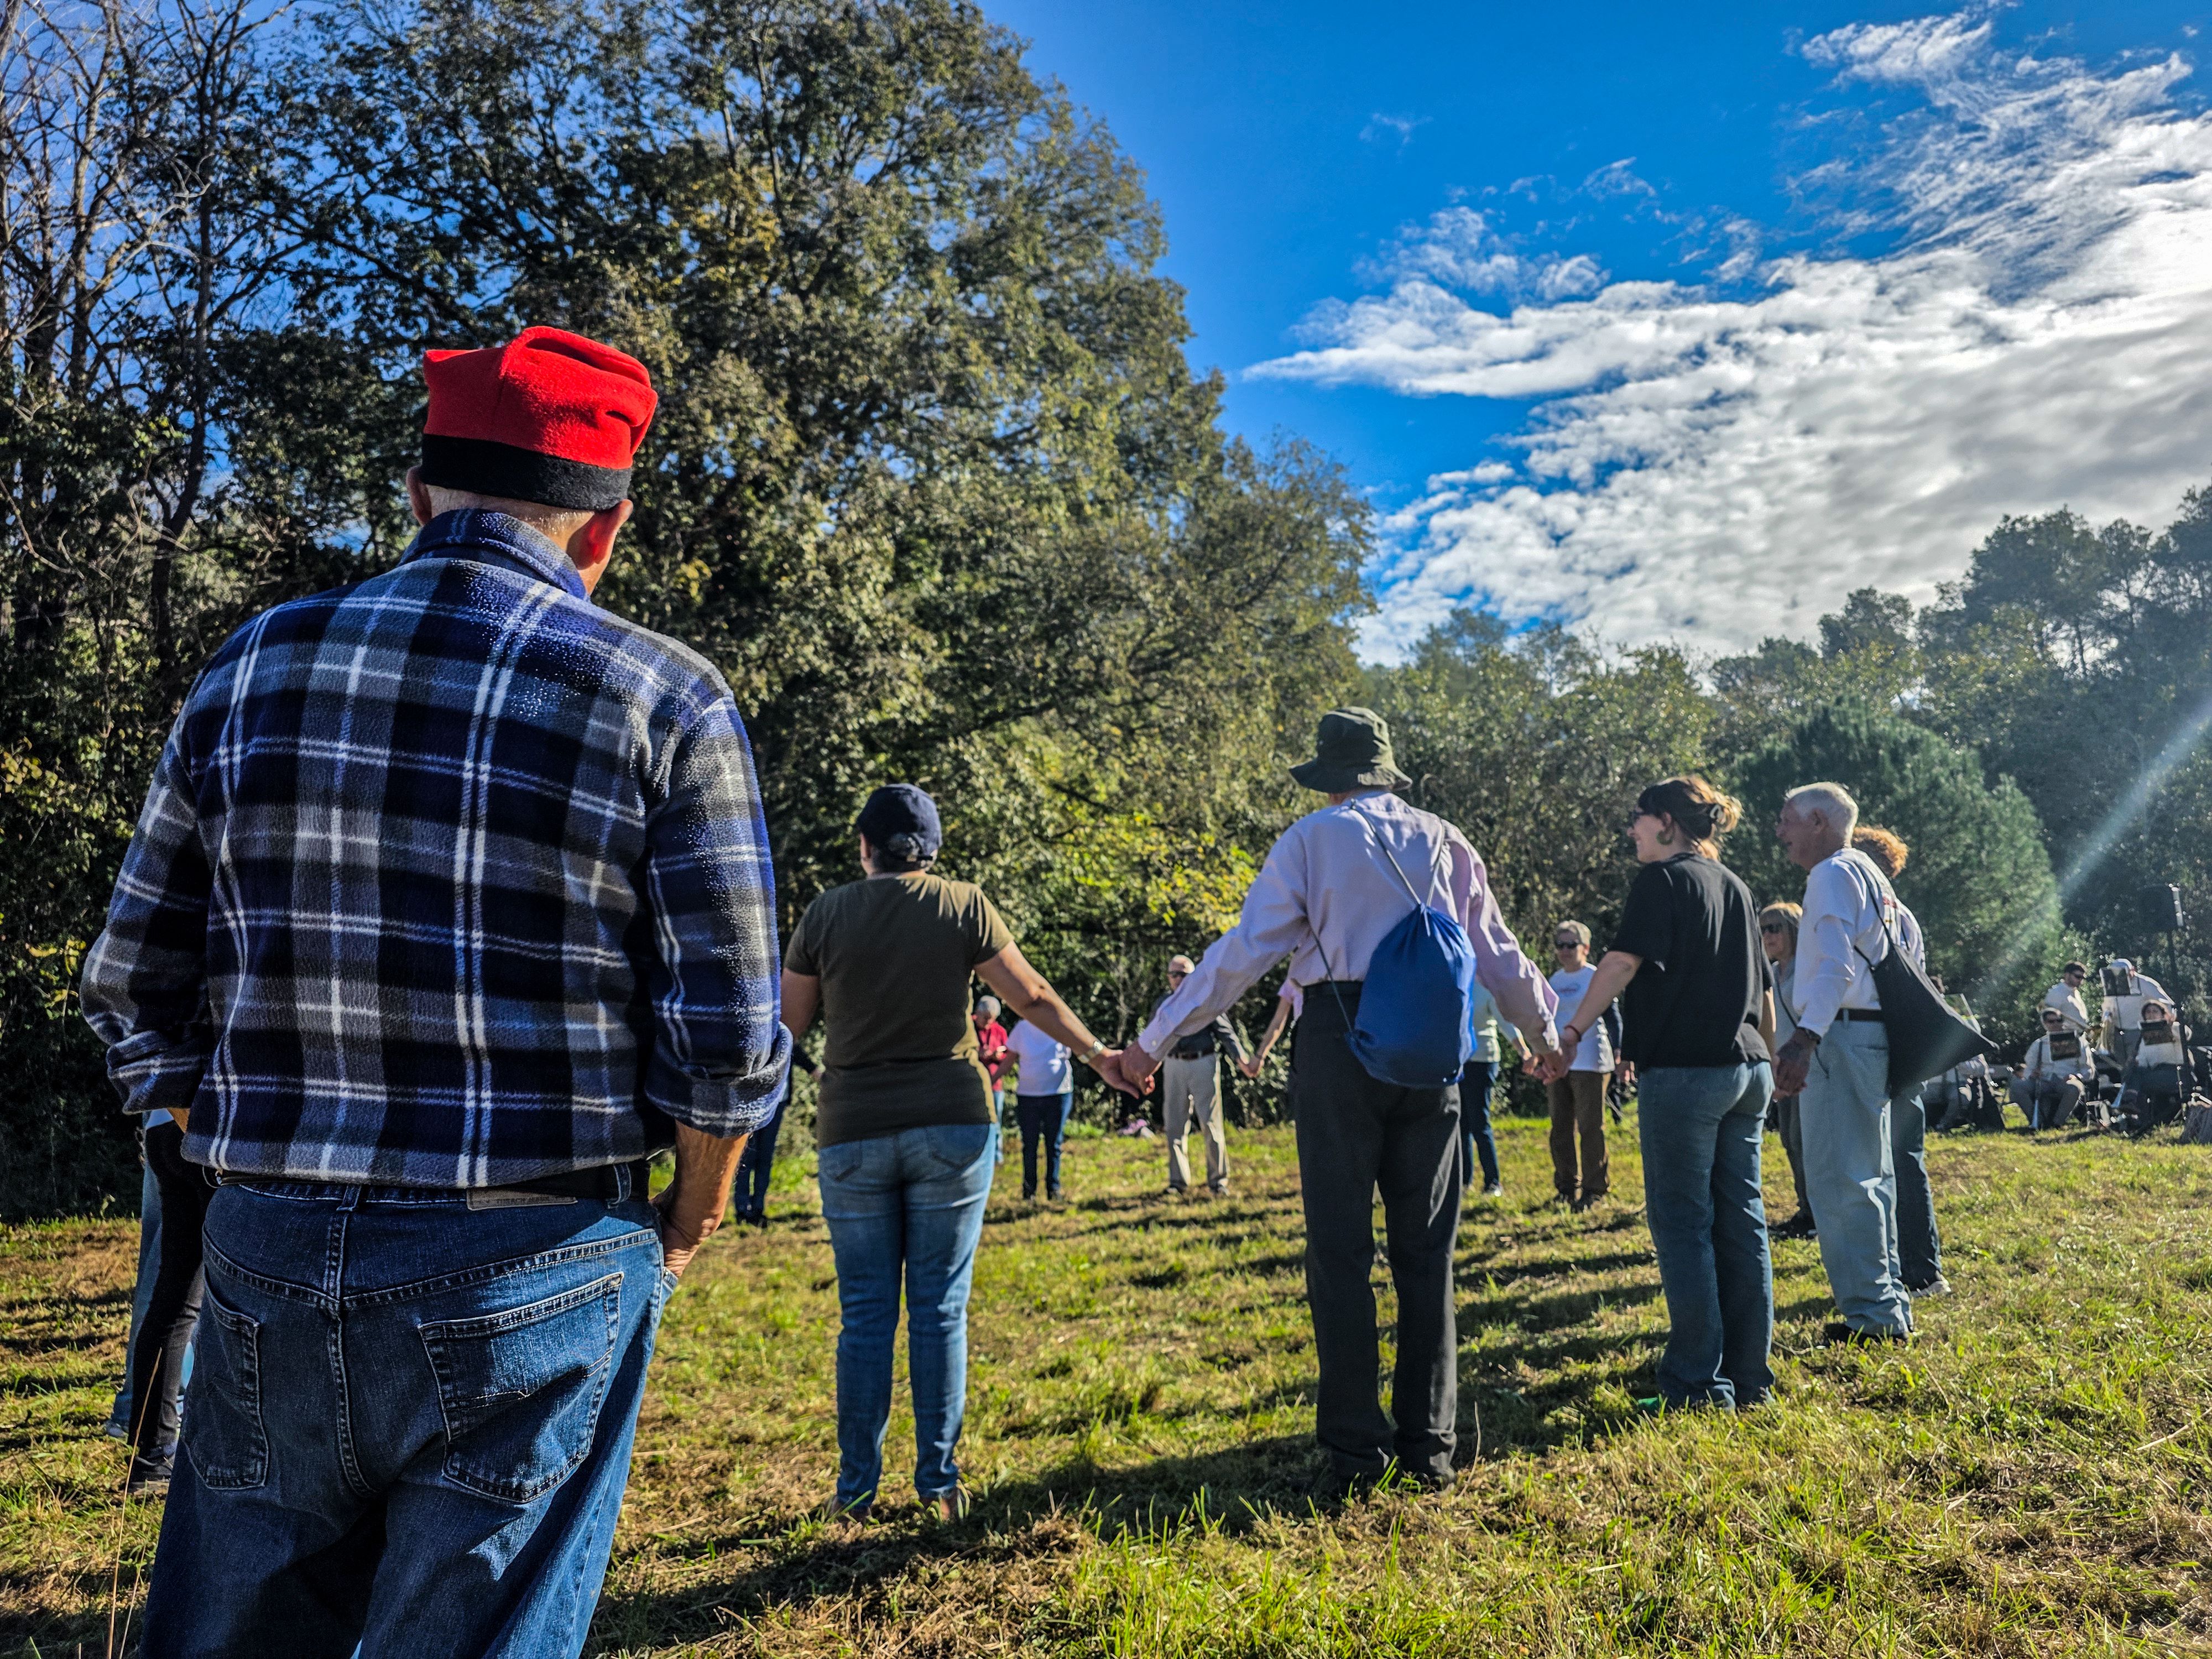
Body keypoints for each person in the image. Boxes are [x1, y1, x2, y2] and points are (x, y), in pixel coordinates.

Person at [80, 327, 787, 1658]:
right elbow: (728, 1043)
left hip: (268, 1251)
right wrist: (685, 1225)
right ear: (605, 529)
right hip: (533, 1260)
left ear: (417, 496)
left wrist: (203, 1146)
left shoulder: (251, 665)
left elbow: (130, 980)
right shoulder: (667, 698)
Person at [1120, 708, 1559, 1496]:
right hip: (1431, 1045)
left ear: (1329, 777)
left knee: (1339, 1251)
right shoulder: (1445, 838)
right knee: (1427, 1254)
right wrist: (1545, 1034)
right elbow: (1496, 949)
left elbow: (1242, 956)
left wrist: (1150, 1044)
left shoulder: (1311, 841)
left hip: (1339, 1034)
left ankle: (1356, 1454)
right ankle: (1430, 1450)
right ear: (1387, 772)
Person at [780, 784, 1135, 1521]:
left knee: (866, 1314)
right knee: (940, 1308)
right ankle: (938, 1486)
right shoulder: (964, 904)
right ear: (932, 849)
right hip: (952, 1121)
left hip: (851, 1127)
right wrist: (1100, 1054)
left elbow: (786, 1028)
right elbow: (1031, 994)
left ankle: (853, 1494)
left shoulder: (825, 913)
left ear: (864, 846)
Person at [1550, 776, 1775, 1409]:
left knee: (1683, 1227)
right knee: (1743, 1226)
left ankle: (1698, 1385)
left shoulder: (1663, 881)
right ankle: (1750, 1380)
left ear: (1669, 823)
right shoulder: (1735, 886)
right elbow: (1762, 994)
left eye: (1638, 819)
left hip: (1685, 1072)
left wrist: (1570, 1032)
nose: (1631, 831)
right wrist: (1777, 1061)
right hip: (1747, 1069)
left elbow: (1619, 963)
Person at [1771, 782, 1914, 1345]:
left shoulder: (1830, 875)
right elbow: (1911, 950)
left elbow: (1831, 967)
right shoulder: (1872, 877)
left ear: (1816, 823)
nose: (1779, 832)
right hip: (1868, 1035)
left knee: (1837, 1181)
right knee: (1872, 1178)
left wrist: (1803, 1040)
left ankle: (1872, 1320)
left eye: (1786, 821)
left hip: (1837, 1037)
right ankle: (1886, 1305)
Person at [1847, 826, 1948, 1301]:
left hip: (1876, 1040)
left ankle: (1913, 1270)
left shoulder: (1870, 911)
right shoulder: (1904, 916)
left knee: (1890, 1161)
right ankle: (1922, 1268)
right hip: (1906, 1044)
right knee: (1906, 1157)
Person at [115, 1108, 210, 1492]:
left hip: (163, 1128)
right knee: (246, 1296)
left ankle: (152, 1458)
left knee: (175, 1300)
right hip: (215, 1130)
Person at [1153, 954, 1250, 1196]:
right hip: (1173, 1065)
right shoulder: (1163, 1004)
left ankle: (1218, 1182)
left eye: (1182, 974)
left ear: (1192, 977)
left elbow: (1226, 1033)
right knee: (1175, 1126)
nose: (1177, 979)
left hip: (1202, 1063)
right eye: (1173, 974)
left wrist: (1242, 1060)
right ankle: (1177, 1183)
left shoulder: (1206, 999)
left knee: (1210, 1123)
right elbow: (1153, 1039)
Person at [1545, 921, 1615, 1207]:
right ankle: (1566, 1187)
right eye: (1560, 945)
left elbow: (1613, 1016)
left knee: (1590, 1127)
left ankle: (1594, 1189)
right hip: (1559, 1063)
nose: (1565, 951)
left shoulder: (1596, 977)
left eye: (1571, 945)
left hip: (1591, 1061)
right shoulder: (1555, 980)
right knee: (1560, 1127)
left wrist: (1622, 1052)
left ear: (1586, 948)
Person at [1759, 903, 1815, 1240]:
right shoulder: (1769, 972)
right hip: (1780, 1068)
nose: (1767, 936)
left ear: (1794, 930)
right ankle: (1806, 1210)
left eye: (1775, 928)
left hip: (1808, 1067)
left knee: (1804, 1140)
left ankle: (1817, 1213)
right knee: (1790, 1141)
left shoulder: (1808, 970)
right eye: (1763, 930)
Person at [1004, 1014, 1074, 1201]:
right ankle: (1029, 1191)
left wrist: (1106, 1052)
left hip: (1058, 1093)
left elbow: (1091, 1044)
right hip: (1028, 1096)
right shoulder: (1022, 1028)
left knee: (1054, 1143)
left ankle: (1054, 1189)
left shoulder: (1063, 1024)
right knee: (1030, 1145)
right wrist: (990, 1080)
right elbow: (1010, 1057)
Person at [1459, 982, 1511, 1199]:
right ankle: (1463, 1182)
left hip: (1483, 1061)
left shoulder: (1487, 988)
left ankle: (1493, 1182)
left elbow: (1505, 1023)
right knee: (1461, 1124)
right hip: (1459, 1062)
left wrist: (1525, 1050)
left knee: (1480, 1123)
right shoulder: (1457, 982)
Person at [2013, 1005, 2095, 1130]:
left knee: (2074, 1088)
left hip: (2066, 1081)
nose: (2056, 1024)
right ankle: (2037, 1121)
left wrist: (2077, 1077)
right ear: (2045, 1024)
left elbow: (2089, 1070)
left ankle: (2057, 1123)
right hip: (2044, 1081)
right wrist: (2032, 1074)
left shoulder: (2077, 1042)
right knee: (2018, 1086)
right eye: (2052, 1021)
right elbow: (2028, 1068)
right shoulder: (2038, 1044)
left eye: (2059, 1021)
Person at [2118, 999, 2188, 1134]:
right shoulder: (2145, 1036)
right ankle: (2139, 1116)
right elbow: (2144, 1062)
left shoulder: (2175, 1027)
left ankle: (2131, 1102)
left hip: (2176, 1073)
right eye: (2148, 1012)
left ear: (2163, 1014)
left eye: (2155, 1011)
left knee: (2139, 1083)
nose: (2151, 1014)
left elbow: (2187, 1035)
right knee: (2136, 1072)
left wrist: (2171, 1027)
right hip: (2155, 1073)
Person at [2101, 958, 2174, 1073]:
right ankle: (2126, 1089)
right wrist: (2107, 1015)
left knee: (2135, 1066)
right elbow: (2107, 1005)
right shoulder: (2111, 985)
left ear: (2133, 970)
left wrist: (2165, 1026)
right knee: (2123, 1068)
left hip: (2138, 1032)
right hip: (2117, 1033)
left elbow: (2167, 1005)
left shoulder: (2146, 984)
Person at [973, 997, 1010, 1163]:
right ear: (977, 1013)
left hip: (994, 1084)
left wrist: (998, 1056)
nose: (988, 1022)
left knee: (995, 1120)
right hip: (972, 1084)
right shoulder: (967, 1026)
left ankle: (996, 1155)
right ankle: (976, 1156)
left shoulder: (1000, 1031)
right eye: (985, 1018)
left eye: (992, 1019)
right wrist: (978, 1054)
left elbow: (1008, 1054)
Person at [2043, 962, 2093, 1037]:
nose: (2081, 981)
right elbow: (2049, 1022)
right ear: (2067, 975)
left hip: (2080, 1037)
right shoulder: (2056, 993)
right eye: (2078, 977)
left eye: (2082, 978)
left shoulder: (2076, 992)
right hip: (2066, 1038)